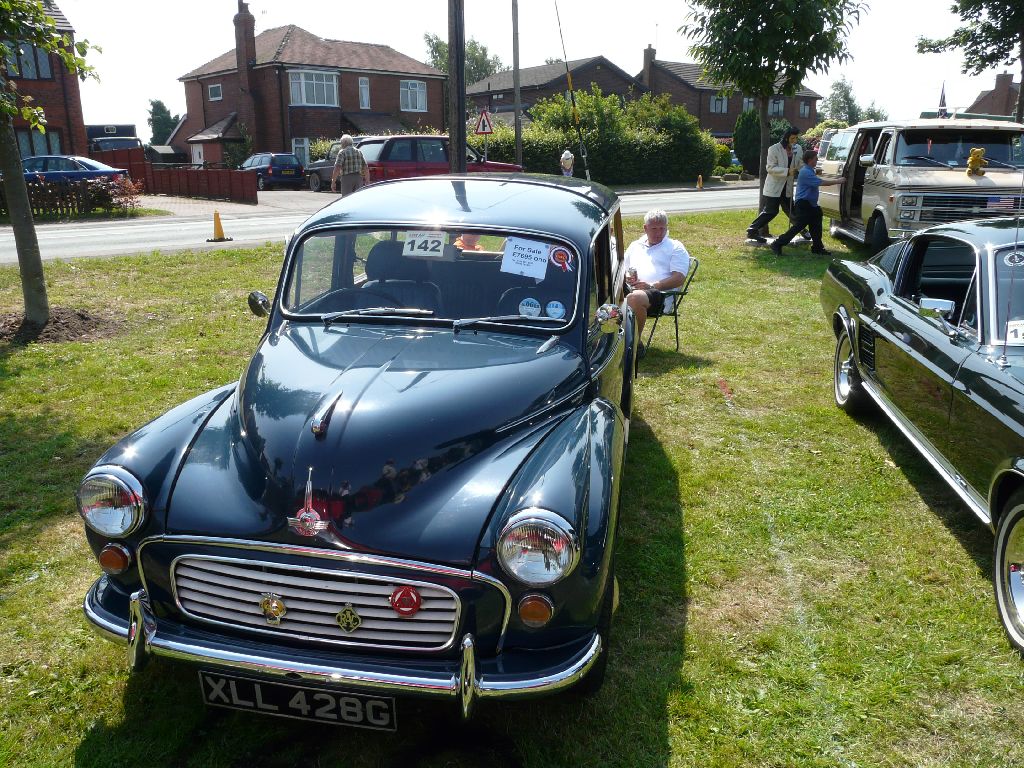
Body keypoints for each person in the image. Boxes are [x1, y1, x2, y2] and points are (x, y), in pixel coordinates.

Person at [624, 209, 691, 344]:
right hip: (632, 288)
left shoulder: (675, 247)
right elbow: (623, 269)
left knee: (635, 297)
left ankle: (634, 344)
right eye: (654, 229)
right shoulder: (635, 246)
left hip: (660, 295)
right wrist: (627, 278)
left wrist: (652, 285)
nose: (659, 233)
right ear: (645, 228)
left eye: (662, 229)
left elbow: (679, 277)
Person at [771, 150, 844, 256]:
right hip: (804, 204)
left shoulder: (809, 170)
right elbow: (821, 182)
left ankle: (817, 248)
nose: (817, 160)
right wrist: (838, 181)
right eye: (815, 158)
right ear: (810, 160)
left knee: (816, 226)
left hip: (811, 205)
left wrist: (818, 172)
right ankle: (777, 244)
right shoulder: (805, 172)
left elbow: (815, 177)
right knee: (798, 226)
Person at [746, 127, 809, 243]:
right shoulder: (774, 149)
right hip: (774, 186)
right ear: (786, 138)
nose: (794, 141)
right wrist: (786, 171)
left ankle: (802, 230)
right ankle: (752, 231)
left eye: (796, 138)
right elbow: (770, 168)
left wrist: (811, 170)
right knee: (771, 211)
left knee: (792, 210)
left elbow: (800, 164)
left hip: (787, 186)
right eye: (792, 138)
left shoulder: (798, 149)